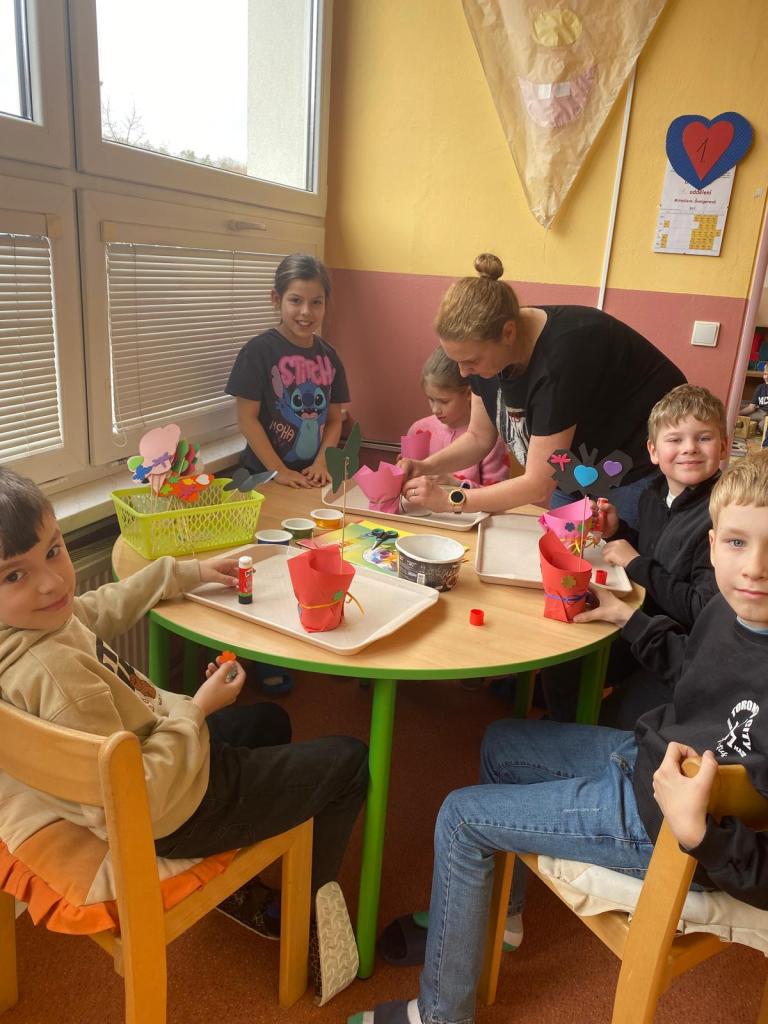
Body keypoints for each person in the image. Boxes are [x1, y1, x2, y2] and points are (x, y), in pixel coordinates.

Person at [350, 450, 768, 1024]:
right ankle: (504, 918)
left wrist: (702, 836)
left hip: (665, 827)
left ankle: (441, 1014)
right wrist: (628, 618)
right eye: (738, 543)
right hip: (644, 762)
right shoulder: (729, 610)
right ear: (714, 544)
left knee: (460, 816)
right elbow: (694, 669)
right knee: (502, 741)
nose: (755, 568)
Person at [0, 467, 368, 1006]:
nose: (52, 582)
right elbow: (143, 795)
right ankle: (310, 911)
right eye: (14, 575)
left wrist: (185, 572)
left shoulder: (28, 630)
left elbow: (97, 609)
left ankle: (245, 876)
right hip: (170, 811)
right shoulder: (56, 679)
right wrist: (197, 709)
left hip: (155, 755)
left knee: (271, 722)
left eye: (53, 551)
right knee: (350, 761)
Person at [400, 253, 685, 529]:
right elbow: (478, 437)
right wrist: (424, 466)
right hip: (577, 465)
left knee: (613, 552)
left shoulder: (563, 358)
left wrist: (451, 500)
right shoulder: (485, 350)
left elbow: (537, 485)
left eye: (471, 361)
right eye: (458, 362)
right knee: (561, 543)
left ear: (508, 333)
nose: (463, 373)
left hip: (636, 462)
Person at [544, 384, 726, 725]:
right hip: (638, 617)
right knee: (563, 660)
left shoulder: (721, 515)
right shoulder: (653, 494)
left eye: (703, 438)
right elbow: (656, 550)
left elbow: (701, 608)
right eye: (675, 439)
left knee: (622, 719)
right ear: (653, 451)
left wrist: (636, 563)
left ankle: (578, 729)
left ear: (724, 446)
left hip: (676, 647)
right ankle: (562, 723)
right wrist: (618, 532)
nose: (689, 448)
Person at [225, 253, 350, 489]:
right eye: (295, 300)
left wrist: (321, 463)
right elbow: (246, 419)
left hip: (311, 477)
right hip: (263, 478)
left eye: (316, 302)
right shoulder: (257, 352)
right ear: (276, 299)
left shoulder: (330, 357)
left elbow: (334, 420)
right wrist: (279, 471)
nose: (306, 311)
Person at [405, 347, 509, 488]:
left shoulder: (491, 440)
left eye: (444, 401)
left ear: (468, 393)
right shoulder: (418, 430)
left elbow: (497, 493)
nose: (435, 409)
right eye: (431, 399)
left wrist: (456, 485)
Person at [740, 366, 768, 432]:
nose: (765, 377)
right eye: (765, 374)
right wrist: (738, 414)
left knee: (762, 426)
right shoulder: (760, 387)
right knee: (742, 420)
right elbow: (751, 408)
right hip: (760, 412)